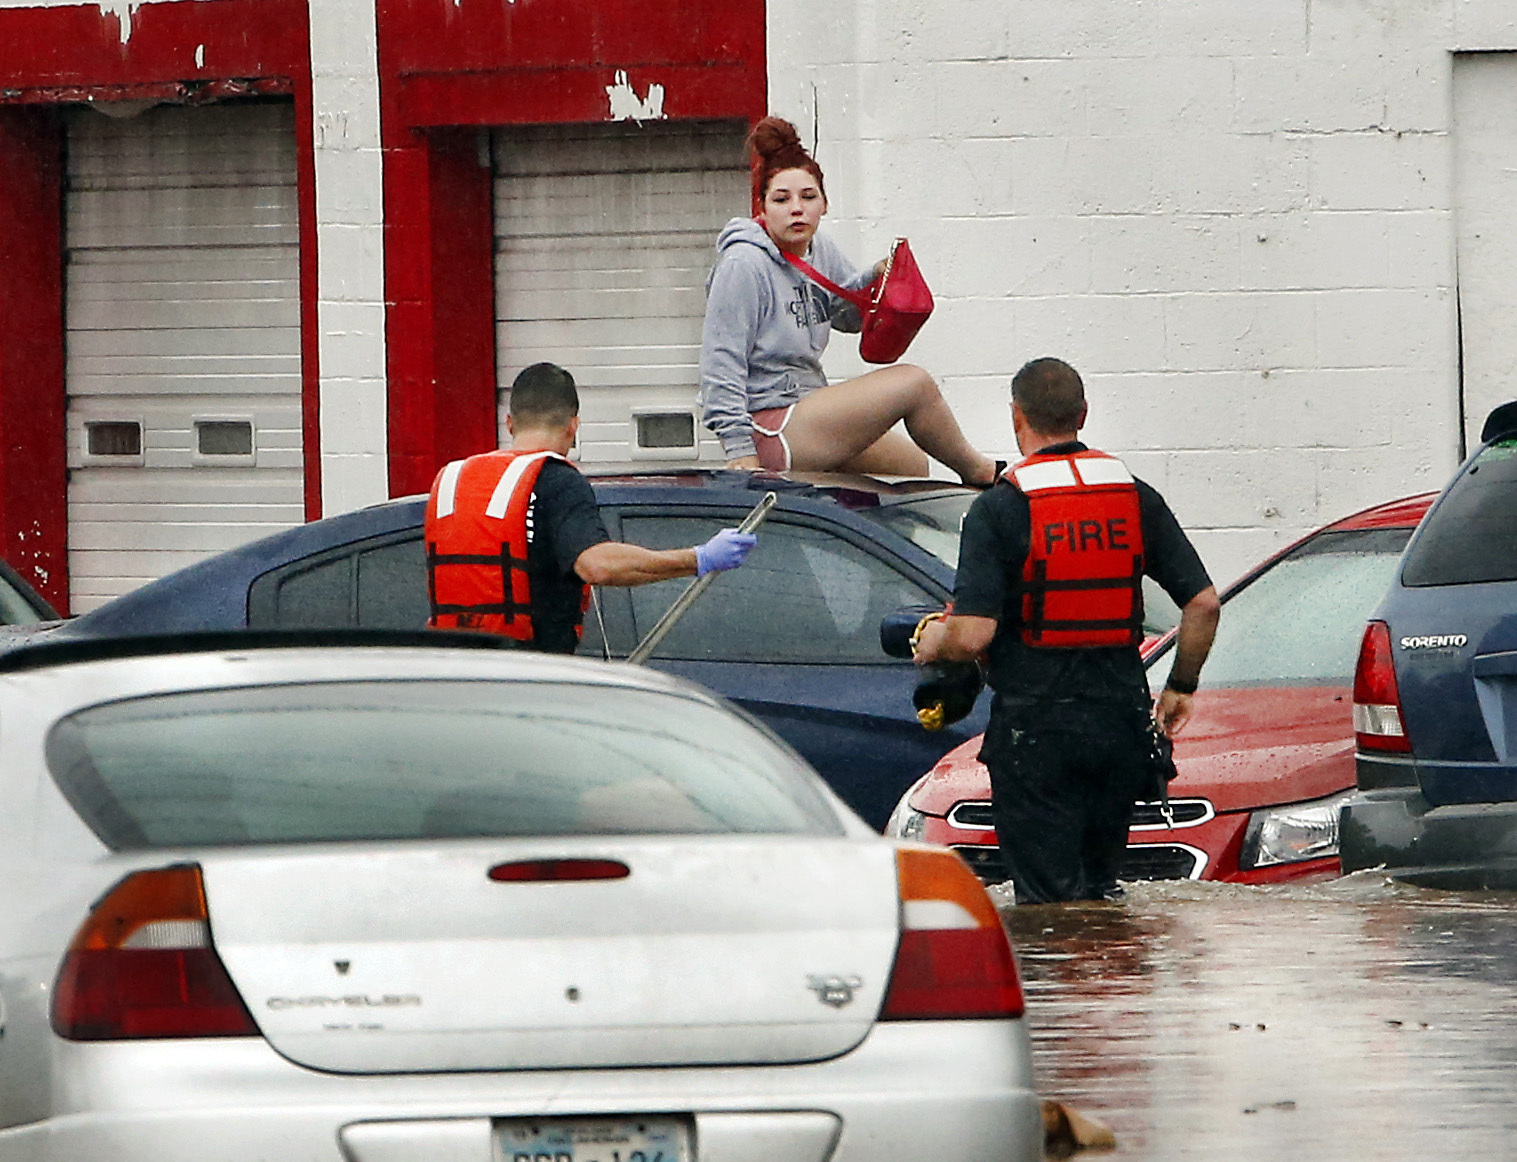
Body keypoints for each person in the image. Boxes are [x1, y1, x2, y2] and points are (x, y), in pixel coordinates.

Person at [912, 357, 1220, 904]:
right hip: (1121, 731)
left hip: (1037, 737)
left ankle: (1059, 995)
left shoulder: (1000, 509)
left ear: (1016, 417)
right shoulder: (1133, 496)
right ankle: (1120, 991)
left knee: (1048, 911)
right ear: (1083, 413)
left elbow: (974, 635)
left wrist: (932, 637)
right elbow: (1202, 604)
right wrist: (1181, 687)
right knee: (1101, 895)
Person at [699, 116, 997, 485]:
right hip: (769, 425)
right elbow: (720, 363)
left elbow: (848, 317)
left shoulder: (819, 248)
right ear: (761, 208)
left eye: (808, 197)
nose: (797, 208)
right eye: (781, 198)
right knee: (914, 383)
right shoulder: (744, 263)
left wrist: (879, 278)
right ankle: (983, 474)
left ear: (824, 204)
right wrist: (739, 451)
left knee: (909, 467)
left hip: (809, 408)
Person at [425, 362, 756, 653]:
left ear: (510, 423)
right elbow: (597, 566)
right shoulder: (556, 481)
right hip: (533, 680)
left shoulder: (454, 480)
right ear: (573, 426)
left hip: (459, 679)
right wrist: (699, 558)